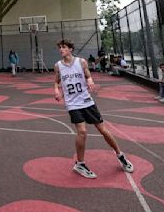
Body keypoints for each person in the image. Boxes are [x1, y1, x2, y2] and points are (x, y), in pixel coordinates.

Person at [53, 39, 134, 179]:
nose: (61, 49)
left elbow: (88, 75)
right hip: (72, 104)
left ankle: (120, 155)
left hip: (86, 101)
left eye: (64, 47)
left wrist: (90, 81)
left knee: (103, 130)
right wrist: (56, 91)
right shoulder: (58, 66)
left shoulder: (81, 62)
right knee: (82, 131)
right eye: (60, 48)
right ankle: (80, 164)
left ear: (70, 49)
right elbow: (56, 81)